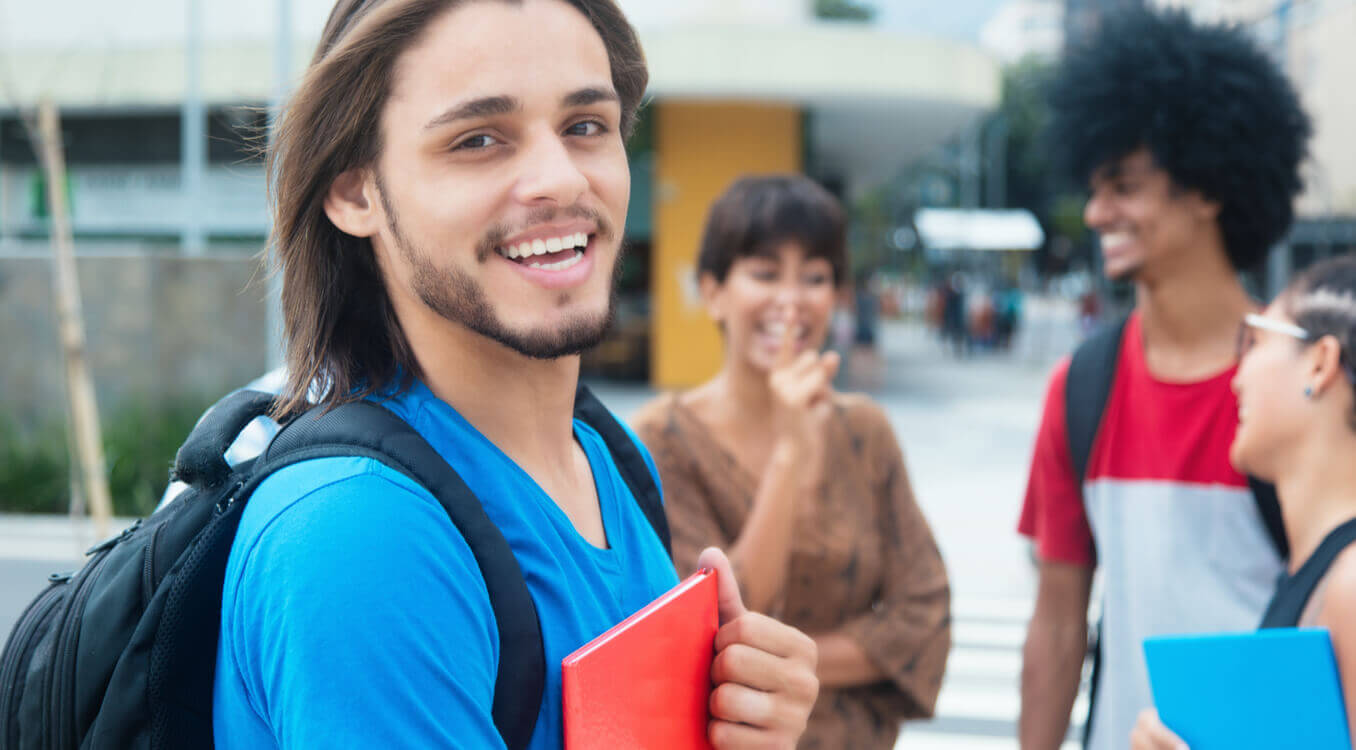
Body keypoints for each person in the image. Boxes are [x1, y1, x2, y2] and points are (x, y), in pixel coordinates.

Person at [212, 2, 820, 748]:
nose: (559, 179)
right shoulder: (360, 539)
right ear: (355, 192)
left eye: (585, 126)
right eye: (478, 140)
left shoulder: (610, 460)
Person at [1016, 8, 1311, 750]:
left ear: (1207, 187)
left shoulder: (1306, 378)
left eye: (1123, 186)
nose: (1095, 211)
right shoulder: (1080, 387)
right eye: (1094, 187)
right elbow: (1057, 624)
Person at [631, 175, 951, 750]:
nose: (792, 298)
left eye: (815, 276)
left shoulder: (864, 431)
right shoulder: (661, 440)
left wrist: (783, 669)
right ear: (713, 291)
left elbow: (923, 616)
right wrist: (791, 449)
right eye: (764, 271)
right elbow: (706, 636)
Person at [1130, 253, 1356, 748]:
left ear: (1320, 364)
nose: (1236, 375)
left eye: (1254, 342)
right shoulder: (1317, 571)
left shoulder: (1350, 587)